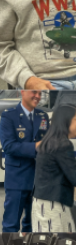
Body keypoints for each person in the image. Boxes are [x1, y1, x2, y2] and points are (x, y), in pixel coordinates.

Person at [1, 91, 48, 232]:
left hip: (38, 179)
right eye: (34, 92)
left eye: (40, 93)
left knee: (33, 224)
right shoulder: (9, 115)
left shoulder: (42, 116)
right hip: (17, 178)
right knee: (11, 224)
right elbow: (8, 146)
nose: (38, 96)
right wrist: (35, 146)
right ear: (23, 91)